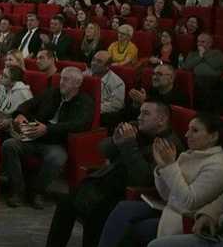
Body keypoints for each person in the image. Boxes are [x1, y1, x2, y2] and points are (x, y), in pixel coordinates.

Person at [45, 101, 183, 247]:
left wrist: (129, 145)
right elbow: (102, 149)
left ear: (161, 120)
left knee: (96, 213)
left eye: (146, 113)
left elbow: (143, 179)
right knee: (66, 203)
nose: (140, 117)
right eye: (140, 112)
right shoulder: (137, 128)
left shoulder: (168, 146)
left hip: (127, 193)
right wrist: (115, 141)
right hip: (104, 183)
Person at [99, 113, 223, 247]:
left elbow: (189, 202)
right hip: (169, 208)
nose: (187, 135)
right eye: (188, 129)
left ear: (213, 136)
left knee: (134, 230)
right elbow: (166, 195)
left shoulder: (219, 166)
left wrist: (169, 166)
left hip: (186, 219)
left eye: (195, 131)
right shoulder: (191, 154)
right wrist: (161, 167)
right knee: (123, 208)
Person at [1, 66, 94, 209]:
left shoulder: (84, 101)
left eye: (67, 80)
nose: (62, 82)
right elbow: (28, 104)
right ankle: (17, 190)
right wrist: (20, 114)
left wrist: (48, 129)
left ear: (77, 84)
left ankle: (38, 192)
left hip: (56, 142)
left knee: (57, 157)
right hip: (33, 137)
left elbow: (79, 125)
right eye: (62, 78)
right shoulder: (52, 92)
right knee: (9, 145)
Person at [86, 50, 126, 129]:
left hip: (102, 114)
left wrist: (94, 108)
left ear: (107, 66)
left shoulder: (117, 83)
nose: (94, 63)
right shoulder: (85, 74)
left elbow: (116, 105)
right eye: (93, 59)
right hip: (86, 109)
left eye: (99, 62)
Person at [0, 66, 33, 135]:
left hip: (14, 129)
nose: (0, 77)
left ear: (13, 82)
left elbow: (27, 116)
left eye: (5, 76)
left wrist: (9, 121)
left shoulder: (22, 93)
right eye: (1, 74)